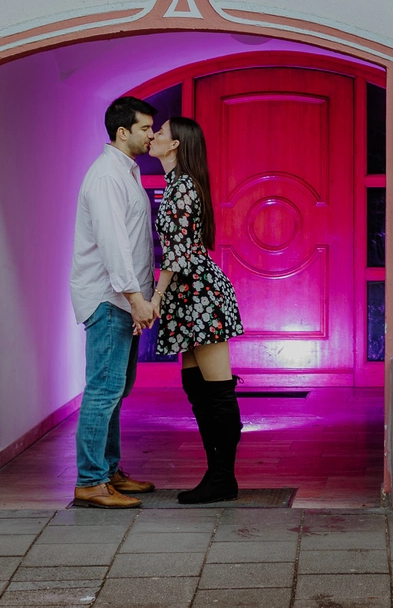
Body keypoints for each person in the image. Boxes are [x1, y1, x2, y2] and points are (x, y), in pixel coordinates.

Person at [147, 115, 246, 504]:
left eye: (160, 133)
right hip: (189, 297)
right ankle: (216, 474)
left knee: (217, 392)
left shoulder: (182, 186)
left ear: (175, 144)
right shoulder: (175, 184)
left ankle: (224, 477)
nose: (153, 136)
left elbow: (178, 252)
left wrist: (155, 297)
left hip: (200, 295)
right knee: (198, 388)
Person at [67, 96, 160, 509]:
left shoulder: (127, 172)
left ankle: (108, 470)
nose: (151, 134)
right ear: (123, 132)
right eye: (145, 128)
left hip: (122, 299)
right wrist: (137, 299)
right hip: (110, 300)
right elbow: (114, 246)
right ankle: (90, 481)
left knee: (116, 390)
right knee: (103, 391)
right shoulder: (107, 175)